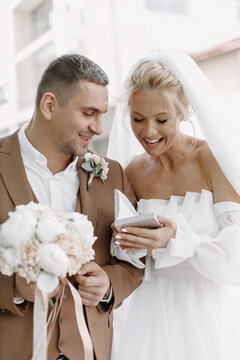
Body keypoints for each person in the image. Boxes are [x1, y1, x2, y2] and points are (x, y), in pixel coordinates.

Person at [0, 53, 143, 360]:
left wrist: (109, 284)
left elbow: (135, 261)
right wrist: (13, 287)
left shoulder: (111, 173)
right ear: (49, 105)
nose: (98, 129)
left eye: (102, 115)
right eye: (89, 113)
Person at [107, 51, 240, 360]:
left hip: (204, 315)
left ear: (185, 111)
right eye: (138, 119)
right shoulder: (132, 172)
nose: (148, 133)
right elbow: (121, 255)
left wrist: (178, 240)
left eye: (161, 120)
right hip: (147, 315)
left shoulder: (213, 161)